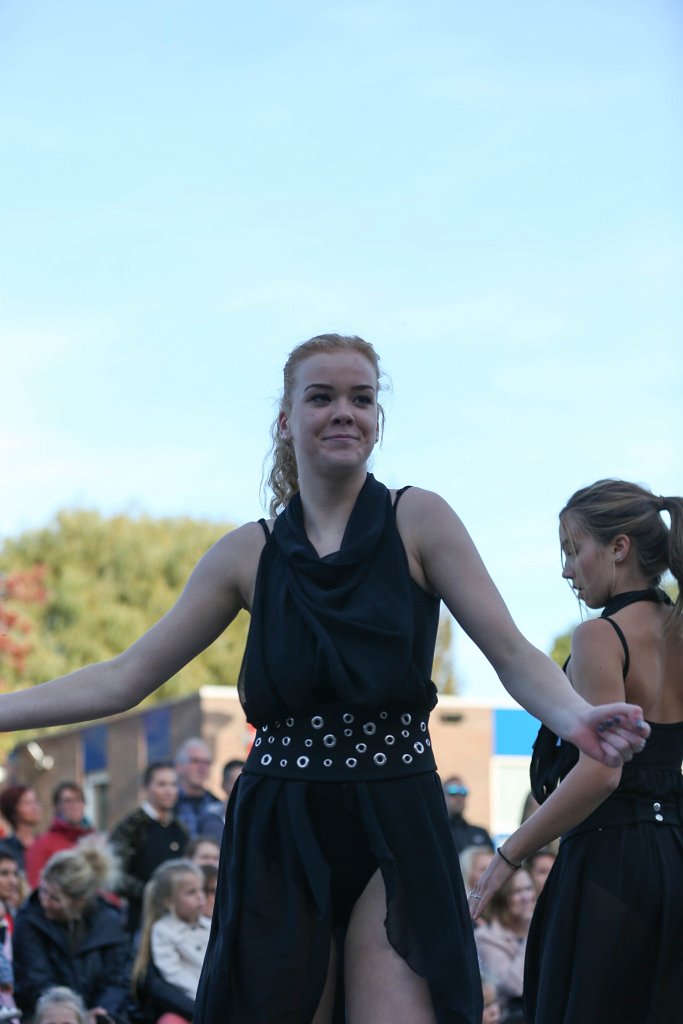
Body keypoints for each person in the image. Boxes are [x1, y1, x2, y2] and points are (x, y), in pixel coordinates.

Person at [0, 337, 650, 1024]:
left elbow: (513, 653)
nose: (344, 412)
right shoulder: (245, 553)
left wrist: (573, 716)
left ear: (377, 416)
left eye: (361, 398)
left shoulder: (418, 519)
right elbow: (124, 678)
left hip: (396, 814)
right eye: (321, 397)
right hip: (281, 826)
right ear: (285, 418)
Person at [469, 479, 683, 1024]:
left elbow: (601, 775)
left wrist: (509, 853)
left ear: (619, 548)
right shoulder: (678, 632)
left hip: (609, 866)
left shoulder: (599, 637)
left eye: (573, 549)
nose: (567, 570)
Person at [12, 843, 130, 1022]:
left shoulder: (109, 922)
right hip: (49, 1013)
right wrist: (74, 1014)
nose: (45, 901)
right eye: (43, 891)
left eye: (54, 898)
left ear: (79, 901)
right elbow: (35, 981)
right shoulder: (29, 920)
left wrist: (104, 1010)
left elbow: (118, 979)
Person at [109, 761, 188, 937]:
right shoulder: (131, 827)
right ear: (146, 787)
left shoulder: (180, 829)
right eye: (161, 784)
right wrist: (150, 893)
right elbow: (114, 876)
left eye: (173, 784)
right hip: (141, 922)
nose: (169, 790)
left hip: (179, 922)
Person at [132, 860, 209, 1024]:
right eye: (191, 892)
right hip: (190, 1003)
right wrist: (203, 997)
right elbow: (172, 972)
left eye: (201, 889)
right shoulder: (163, 930)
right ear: (169, 901)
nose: (200, 896)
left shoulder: (210, 925)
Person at [474, 868, 535, 1022]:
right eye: (517, 891)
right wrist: (530, 931)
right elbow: (516, 986)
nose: (526, 897)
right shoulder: (486, 937)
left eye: (528, 889)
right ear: (502, 898)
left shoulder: (544, 927)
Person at [25, 783, 94, 890]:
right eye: (68, 801)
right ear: (58, 807)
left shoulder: (95, 841)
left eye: (79, 800)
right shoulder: (43, 844)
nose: (74, 805)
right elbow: (35, 887)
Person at [173, 740, 224, 842]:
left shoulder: (217, 804)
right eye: (195, 761)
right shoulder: (168, 803)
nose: (202, 767)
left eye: (207, 763)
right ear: (179, 766)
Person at [442, 776, 494, 855]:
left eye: (463, 792)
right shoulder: (438, 833)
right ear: (442, 796)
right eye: (453, 792)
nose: (459, 797)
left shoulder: (481, 833)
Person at [0, 786, 42, 877]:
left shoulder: (43, 843)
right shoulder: (4, 848)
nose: (35, 807)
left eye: (35, 801)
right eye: (28, 803)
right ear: (13, 810)